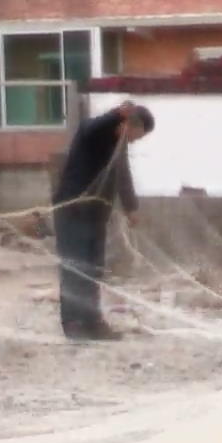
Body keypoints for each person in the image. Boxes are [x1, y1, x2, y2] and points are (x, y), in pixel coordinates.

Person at [52, 100, 154, 341]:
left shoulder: (119, 145)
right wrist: (115, 114)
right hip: (72, 210)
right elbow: (88, 128)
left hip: (97, 213)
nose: (134, 141)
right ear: (128, 124)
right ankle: (73, 323)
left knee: (93, 267)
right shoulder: (96, 133)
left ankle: (92, 320)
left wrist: (131, 207)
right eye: (135, 136)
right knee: (74, 266)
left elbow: (122, 174)